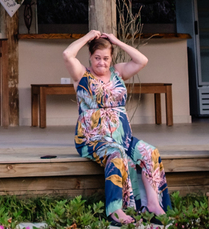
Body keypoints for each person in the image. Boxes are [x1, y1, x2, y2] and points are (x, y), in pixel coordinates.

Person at [64, 29, 170, 225]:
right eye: (97, 58)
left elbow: (142, 60)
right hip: (93, 139)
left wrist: (116, 41)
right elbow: (67, 54)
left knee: (150, 152)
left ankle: (153, 204)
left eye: (106, 58)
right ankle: (116, 209)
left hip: (123, 137)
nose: (101, 63)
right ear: (90, 57)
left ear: (112, 58)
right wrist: (88, 37)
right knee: (116, 153)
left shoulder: (118, 72)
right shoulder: (81, 75)